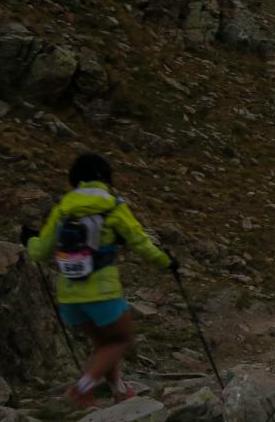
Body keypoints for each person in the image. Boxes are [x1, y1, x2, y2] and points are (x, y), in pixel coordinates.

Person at [23, 152, 174, 408]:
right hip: (102, 293)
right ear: (105, 178)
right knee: (119, 339)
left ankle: (119, 390)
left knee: (104, 343)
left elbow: (40, 252)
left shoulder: (63, 208)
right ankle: (82, 389)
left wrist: (30, 239)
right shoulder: (113, 206)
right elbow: (141, 242)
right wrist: (166, 262)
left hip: (69, 296)